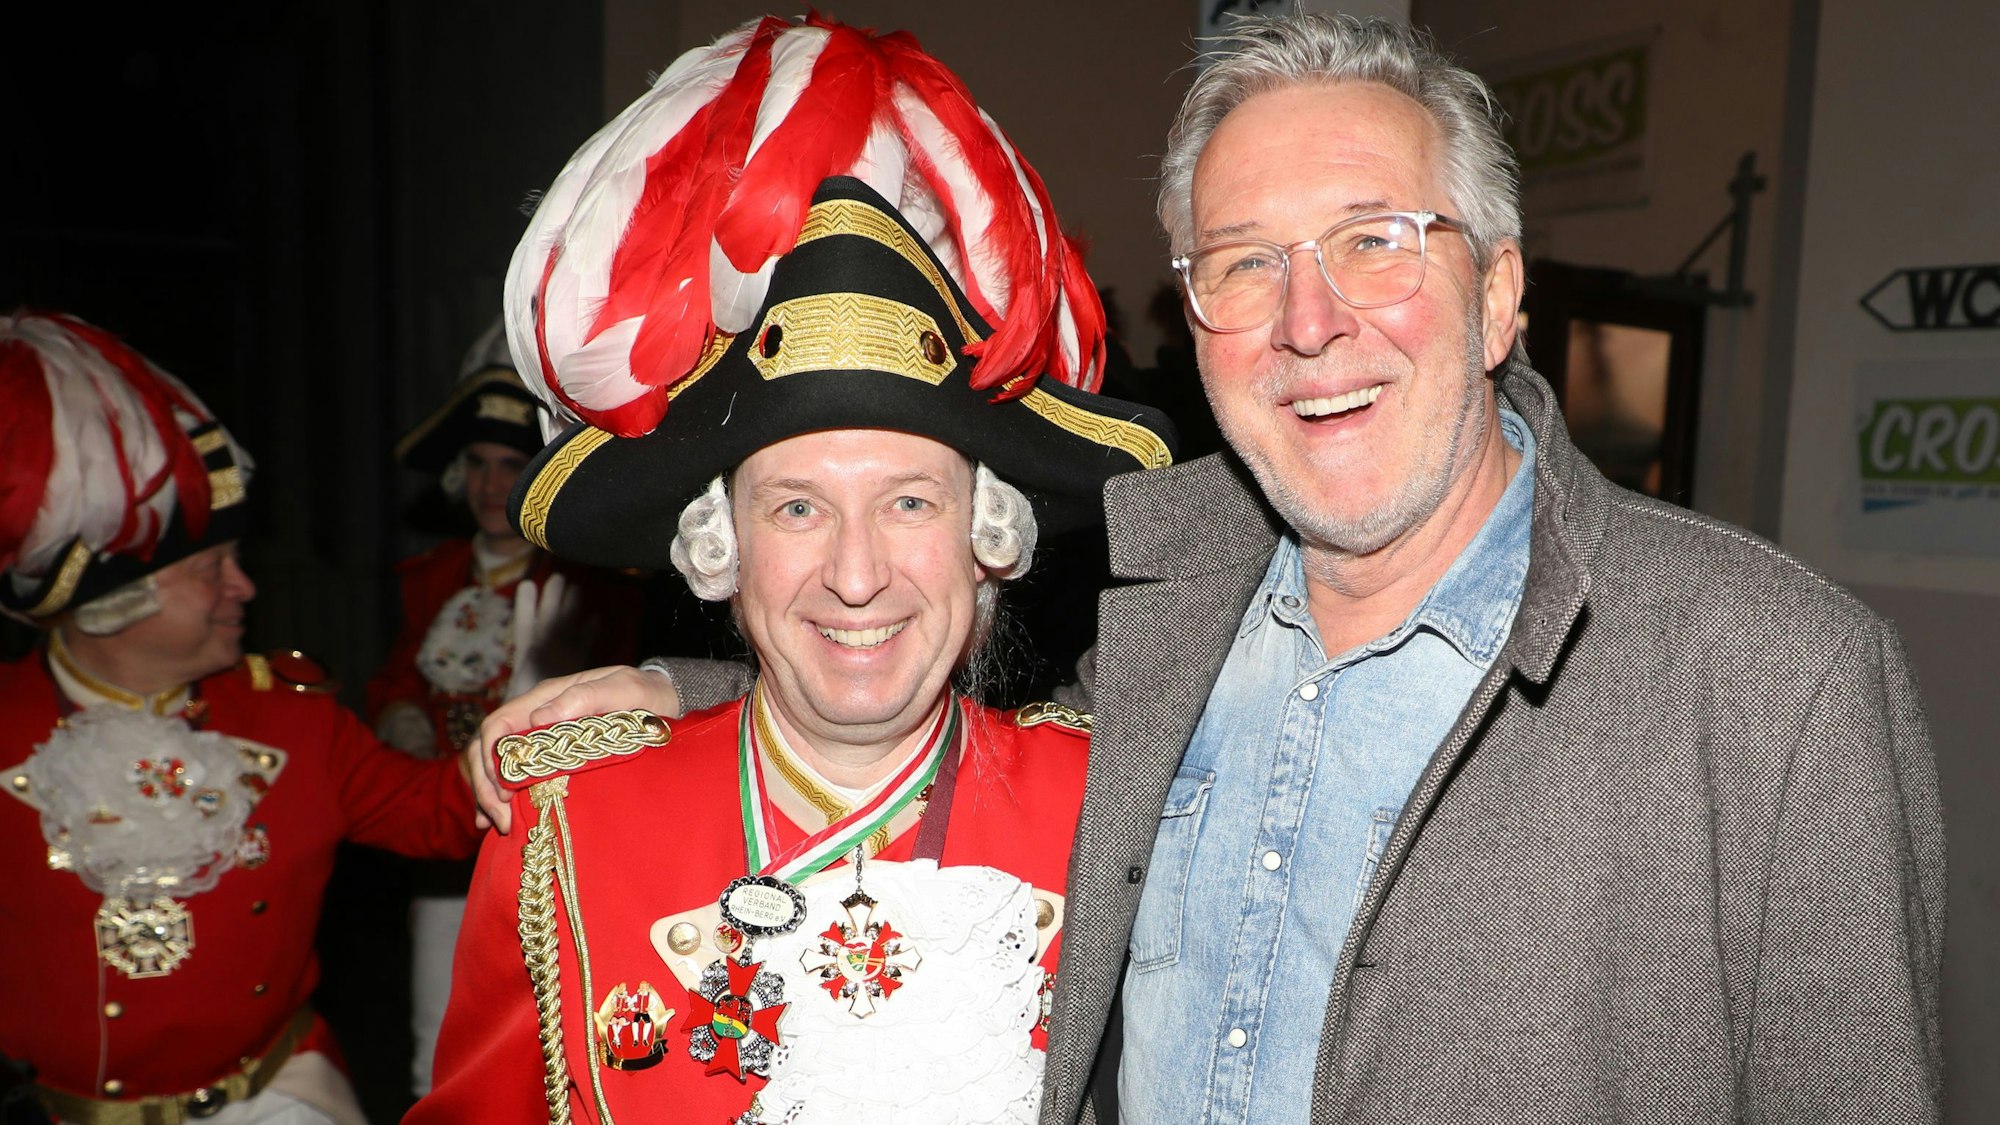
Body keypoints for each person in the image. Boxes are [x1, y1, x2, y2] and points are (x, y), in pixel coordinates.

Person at [481, 14, 1946, 1125]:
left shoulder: (1776, 680)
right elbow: (914, 714)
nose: (1311, 321)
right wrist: (682, 693)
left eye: (1374, 240)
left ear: (1498, 289)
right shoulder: (1160, 622)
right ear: (1195, 323)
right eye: (1244, 261)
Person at [408, 15, 1175, 1125]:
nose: (855, 575)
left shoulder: (1114, 814)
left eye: (910, 502)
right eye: (797, 507)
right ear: (720, 547)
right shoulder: (567, 823)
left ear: (988, 538)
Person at [0, 311, 484, 1125]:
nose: (245, 587)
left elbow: (444, 810)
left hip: (275, 1102)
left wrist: (550, 726)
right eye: (212, 569)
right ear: (117, 603)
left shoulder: (294, 722)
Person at [367, 319, 643, 1096]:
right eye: (479, 466)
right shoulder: (429, 578)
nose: (492, 486)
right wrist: (400, 717)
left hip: (555, 833)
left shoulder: (589, 585)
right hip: (443, 833)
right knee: (440, 1051)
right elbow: (395, 680)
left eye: (510, 467)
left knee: (559, 1039)